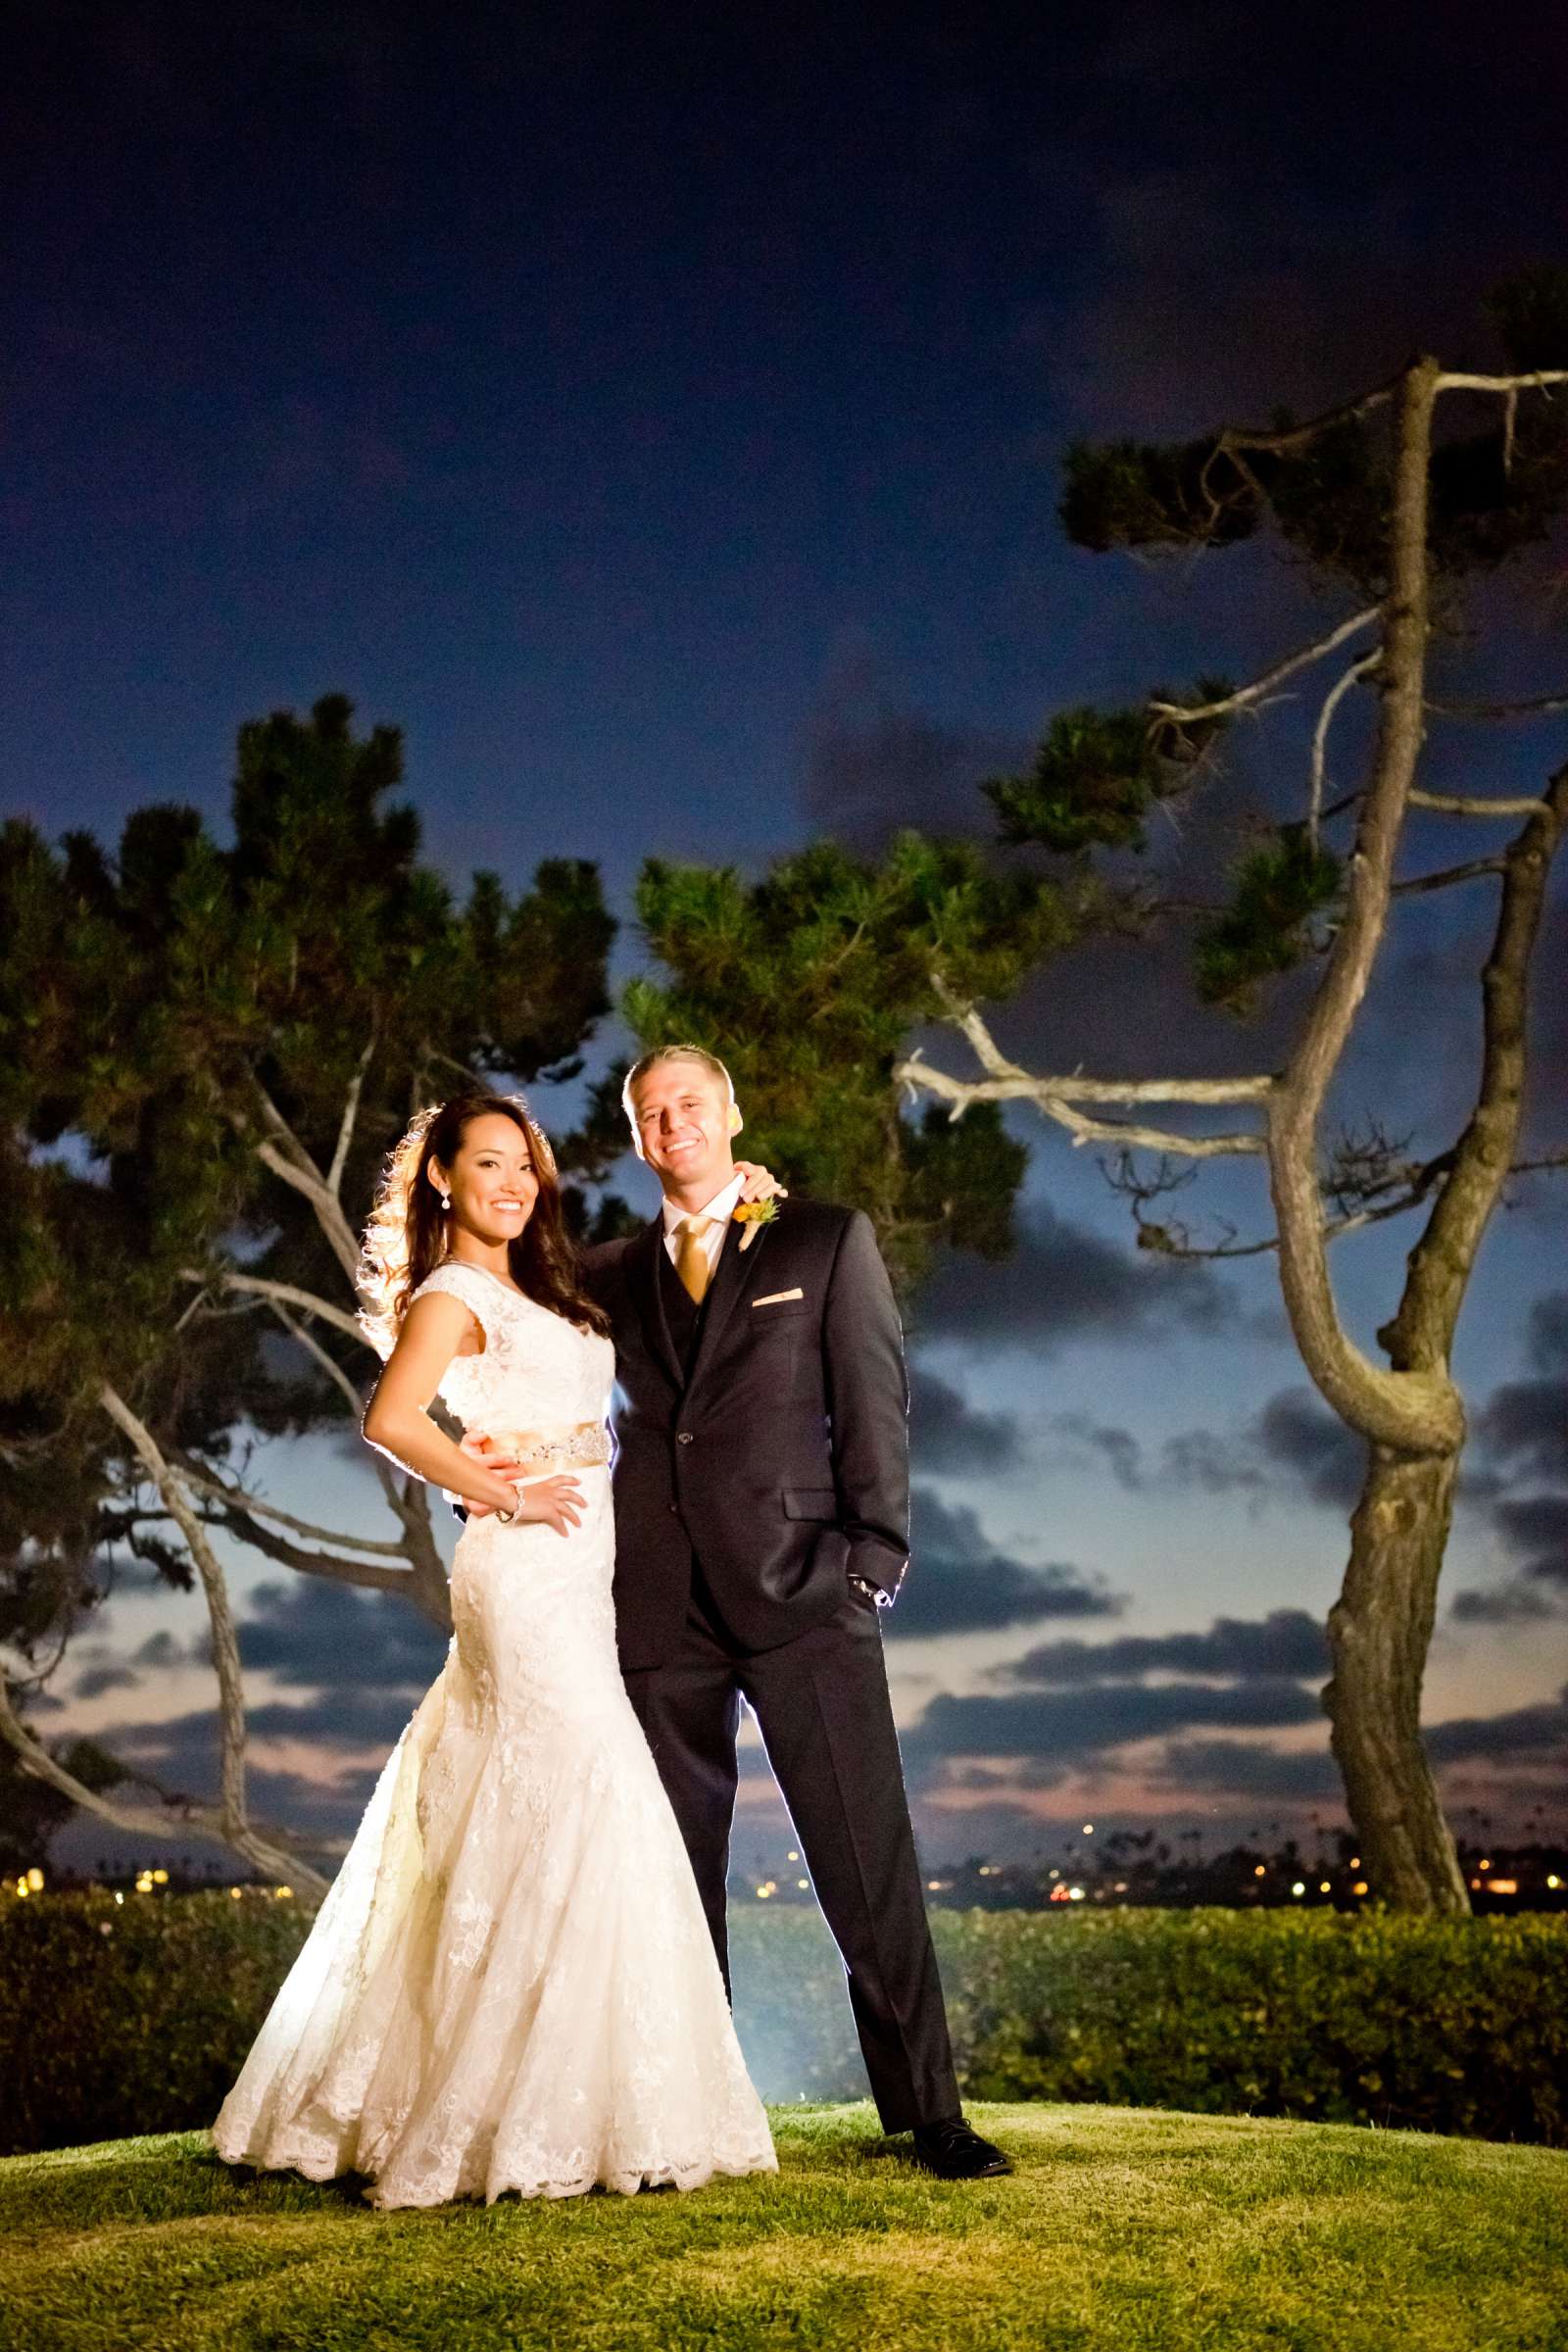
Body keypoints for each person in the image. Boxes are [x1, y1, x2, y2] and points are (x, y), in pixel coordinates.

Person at [212, 1094, 777, 2208]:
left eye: (527, 1165)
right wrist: (494, 1491)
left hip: (581, 1572)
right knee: (587, 1788)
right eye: (487, 1164)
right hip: (523, 1574)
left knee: (543, 1802)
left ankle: (585, 2094)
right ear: (441, 1179)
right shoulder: (453, 1293)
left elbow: (668, 1254)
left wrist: (738, 1185)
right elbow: (393, 1416)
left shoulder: (547, 1285)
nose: (513, 1184)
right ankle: (505, 2110)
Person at [467, 1046, 1009, 2180]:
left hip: (806, 1587)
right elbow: (494, 1292)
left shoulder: (823, 1239)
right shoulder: (602, 1275)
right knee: (669, 1874)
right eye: (651, 1113)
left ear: (731, 1112)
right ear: (636, 1137)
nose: (672, 1125)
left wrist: (875, 1551)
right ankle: (690, 2120)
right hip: (655, 1606)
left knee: (866, 1859)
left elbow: (874, 1397)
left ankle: (930, 2115)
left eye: (690, 1105)